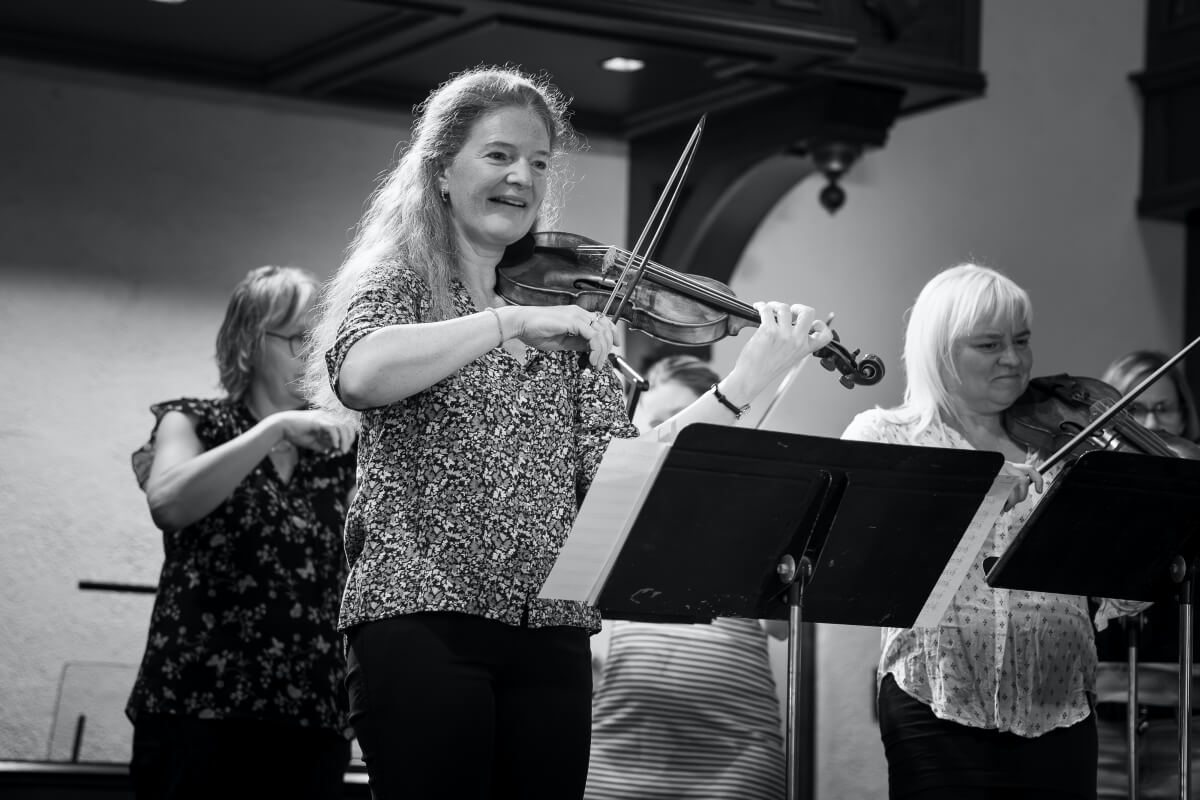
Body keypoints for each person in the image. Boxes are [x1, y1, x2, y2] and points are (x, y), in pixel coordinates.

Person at [302, 65, 833, 800]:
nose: (522, 176)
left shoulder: (571, 316)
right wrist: (511, 322)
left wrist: (749, 380)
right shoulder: (402, 281)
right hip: (424, 620)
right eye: (498, 155)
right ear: (441, 172)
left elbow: (630, 473)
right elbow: (360, 372)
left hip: (551, 632)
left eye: (539, 162)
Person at [841, 263, 1145, 800]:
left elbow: (1114, 592)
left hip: (1060, 706)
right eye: (990, 345)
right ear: (940, 351)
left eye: (1021, 341)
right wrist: (976, 496)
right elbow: (861, 562)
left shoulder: (1065, 444)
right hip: (938, 702)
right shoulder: (887, 436)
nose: (1014, 359)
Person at [126, 265, 358, 800]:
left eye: (322, 340)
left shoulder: (342, 449)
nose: (313, 355)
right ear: (250, 341)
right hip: (197, 700)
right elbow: (169, 503)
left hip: (310, 709)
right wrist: (272, 429)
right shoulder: (194, 422)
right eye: (299, 338)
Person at [585, 354, 788, 800]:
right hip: (614, 764)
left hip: (736, 765)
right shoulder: (606, 515)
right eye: (654, 427)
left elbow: (782, 625)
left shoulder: (745, 515)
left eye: (684, 426)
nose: (665, 440)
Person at [1092, 350, 1200, 799]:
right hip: (1101, 721)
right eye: (1135, 410)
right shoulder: (1089, 494)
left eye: (1163, 408)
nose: (1151, 424)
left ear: (1184, 414)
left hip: (1189, 724)